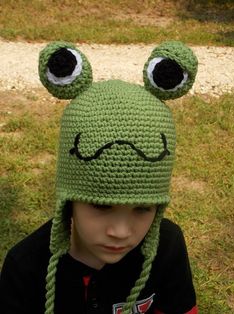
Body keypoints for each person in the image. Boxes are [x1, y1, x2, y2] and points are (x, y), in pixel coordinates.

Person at [0, 40, 198, 314]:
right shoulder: (26, 267)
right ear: (69, 198)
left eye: (143, 208)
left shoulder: (167, 247)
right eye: (101, 205)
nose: (120, 232)